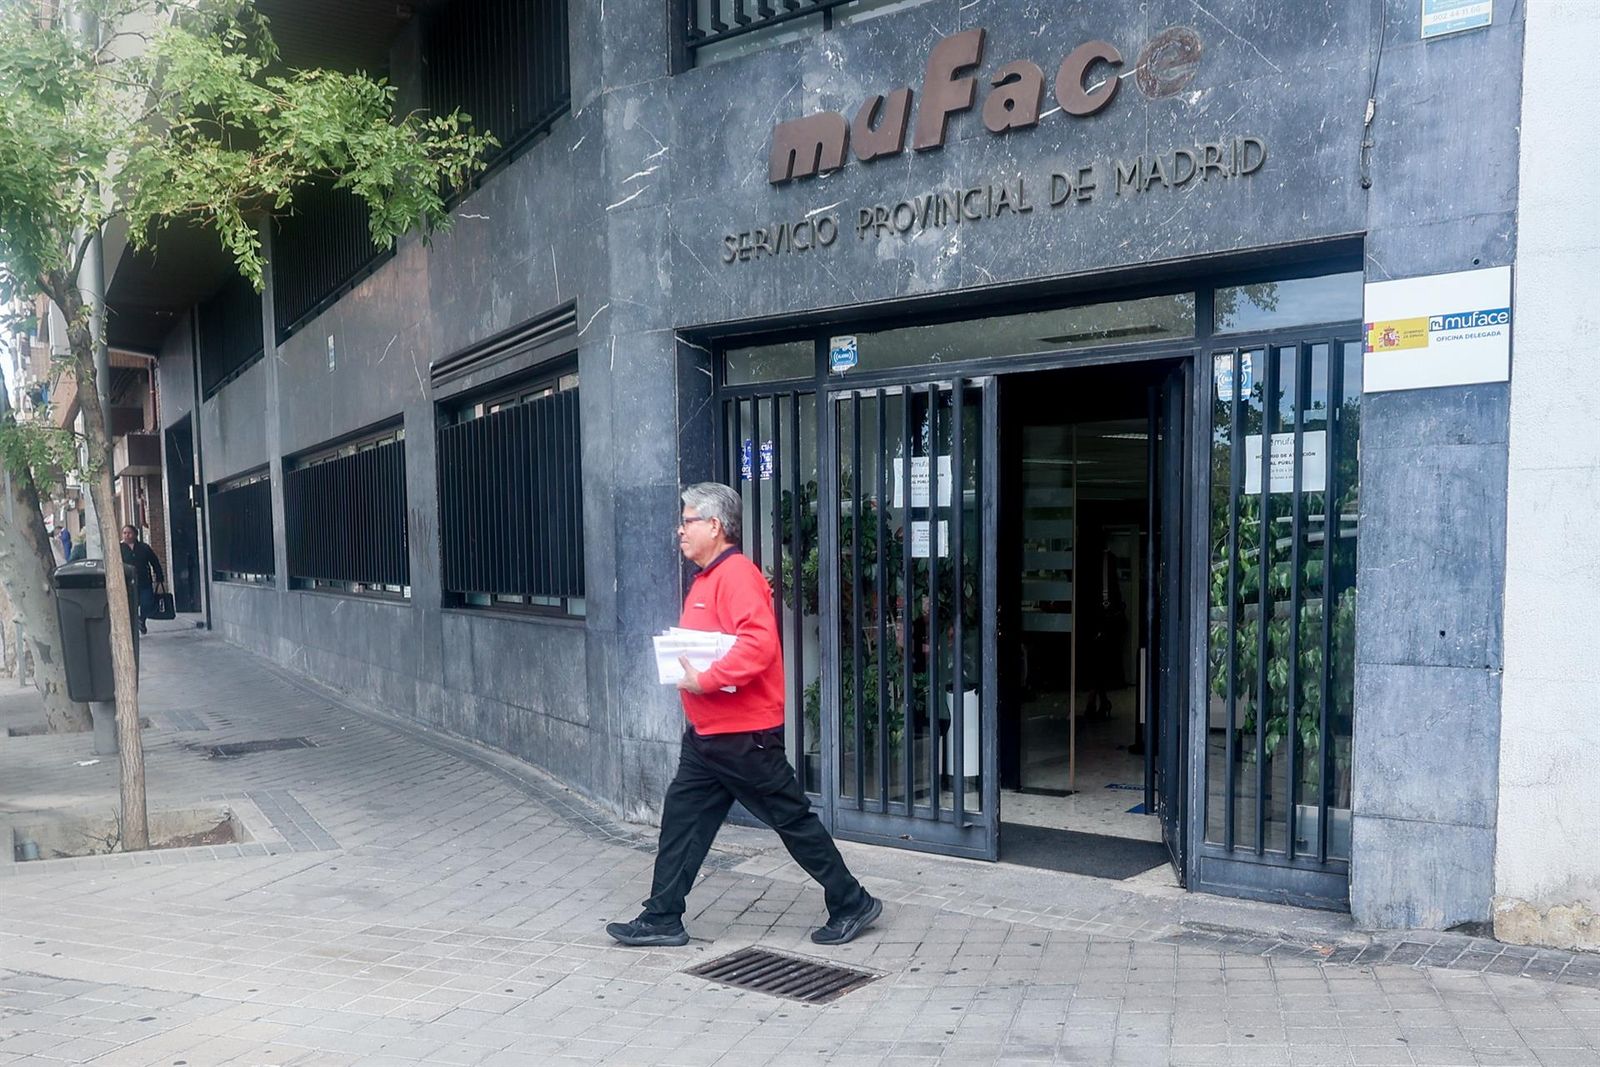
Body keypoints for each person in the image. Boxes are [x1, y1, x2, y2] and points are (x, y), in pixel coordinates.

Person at [606, 482, 881, 949]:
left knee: (791, 818)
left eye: (688, 520)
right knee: (682, 820)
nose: (680, 530)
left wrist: (706, 679)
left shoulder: (736, 576)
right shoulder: (708, 578)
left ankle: (851, 901)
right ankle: (662, 917)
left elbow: (759, 646)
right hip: (709, 736)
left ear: (714, 526)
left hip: (743, 736)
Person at [118, 525, 165, 635]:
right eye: (124, 533)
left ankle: (142, 619)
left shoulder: (144, 548)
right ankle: (133, 626)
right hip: (127, 583)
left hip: (144, 581)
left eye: (129, 533)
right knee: (131, 606)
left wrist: (159, 577)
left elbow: (154, 562)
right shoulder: (119, 549)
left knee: (147, 603)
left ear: (135, 534)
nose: (127, 535)